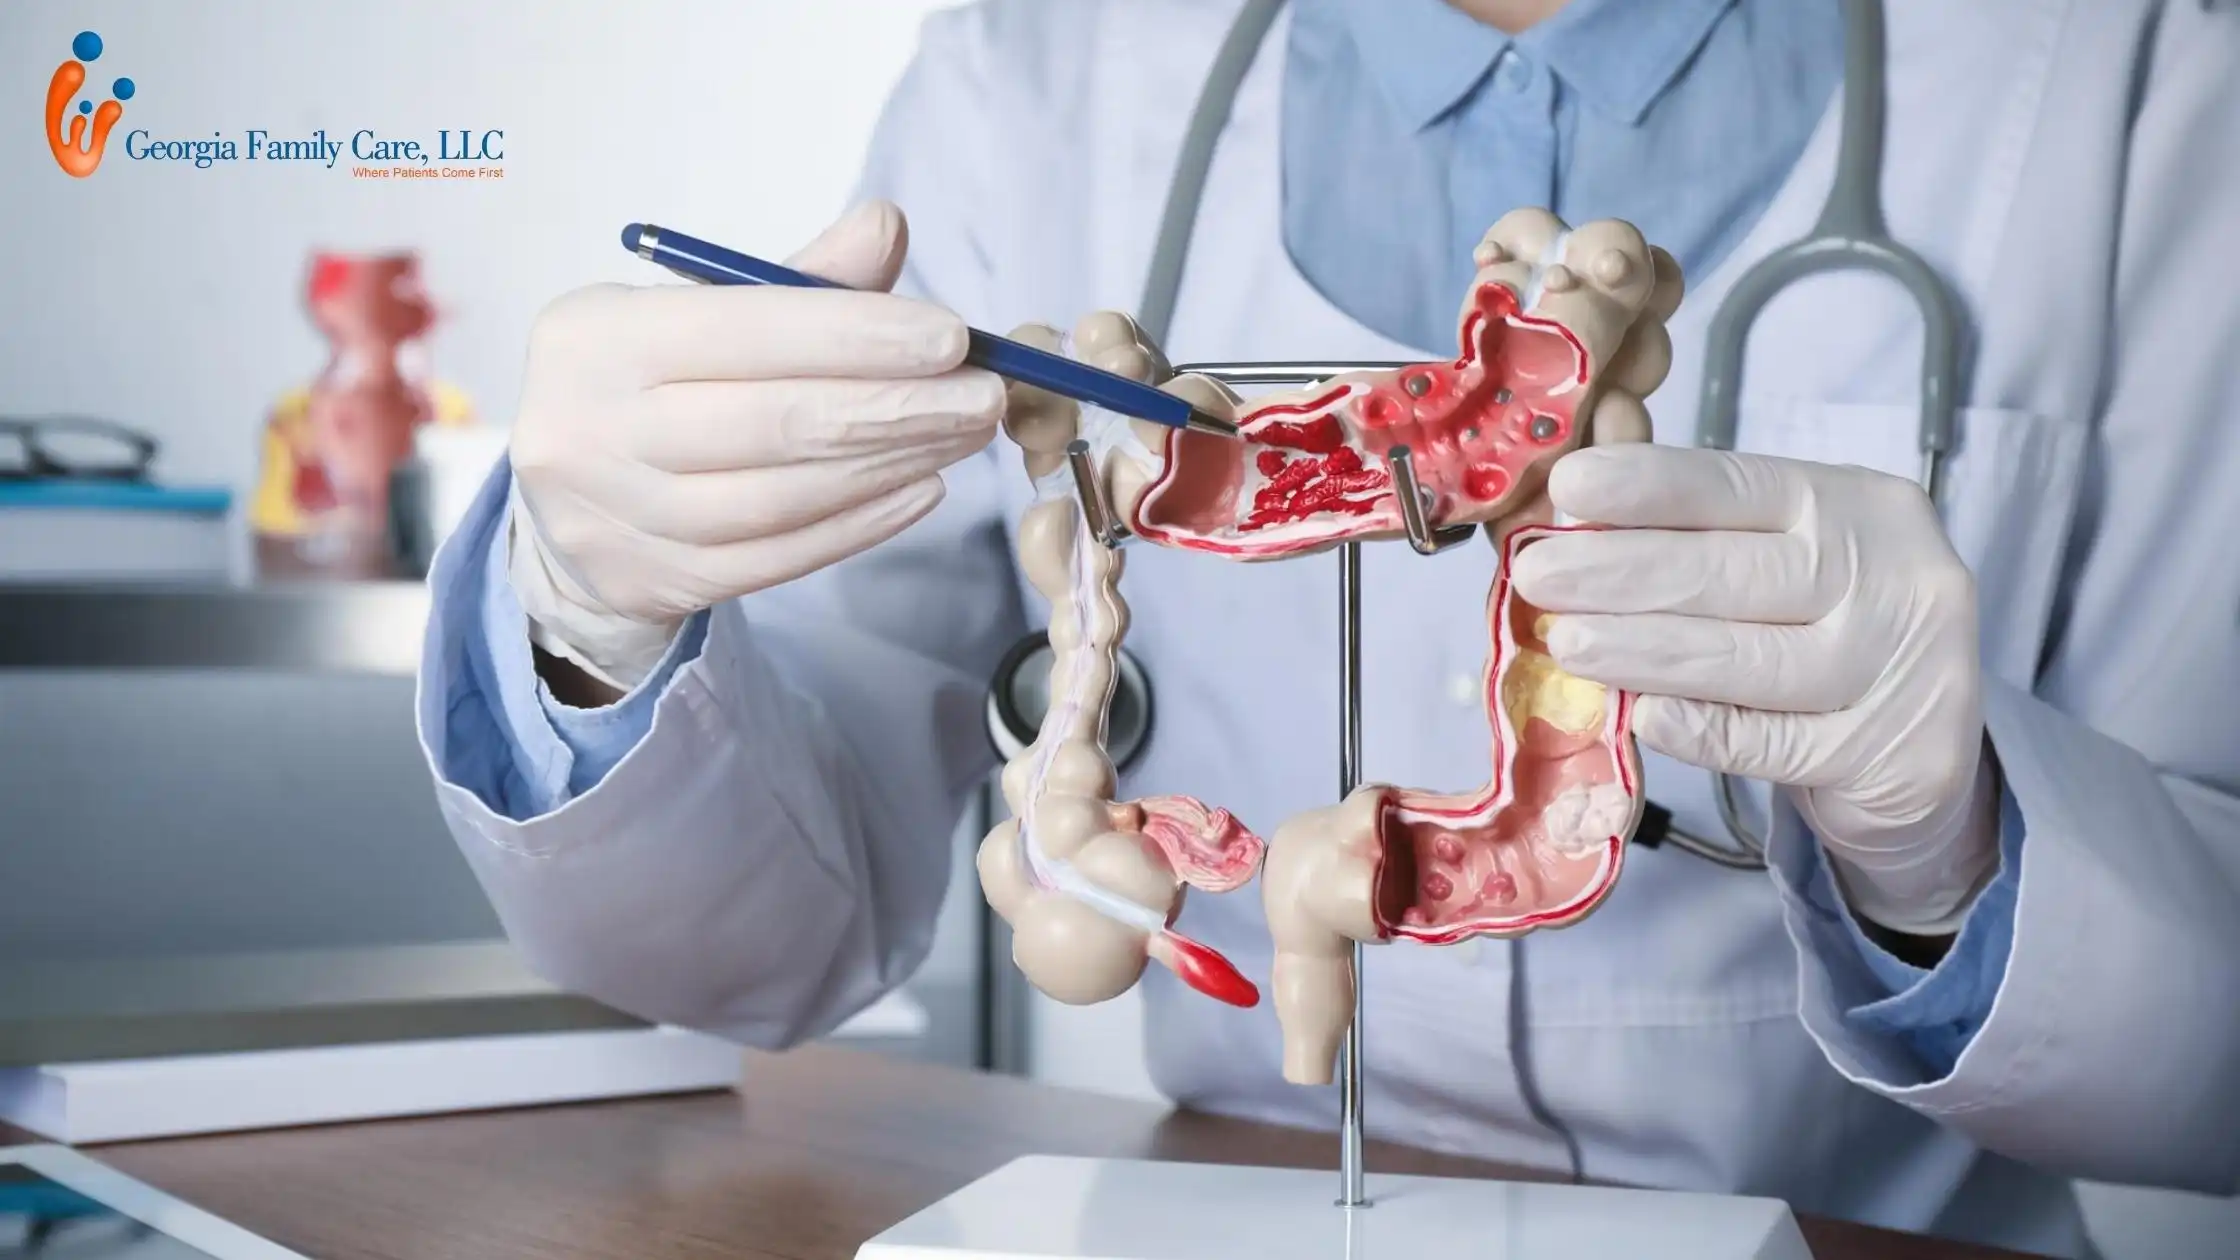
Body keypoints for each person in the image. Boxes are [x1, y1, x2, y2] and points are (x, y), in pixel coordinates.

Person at [414, 1, 2240, 1255]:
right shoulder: (1048, 64)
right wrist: (593, 611)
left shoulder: (2132, 68)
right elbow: (769, 926)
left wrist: (1957, 844)